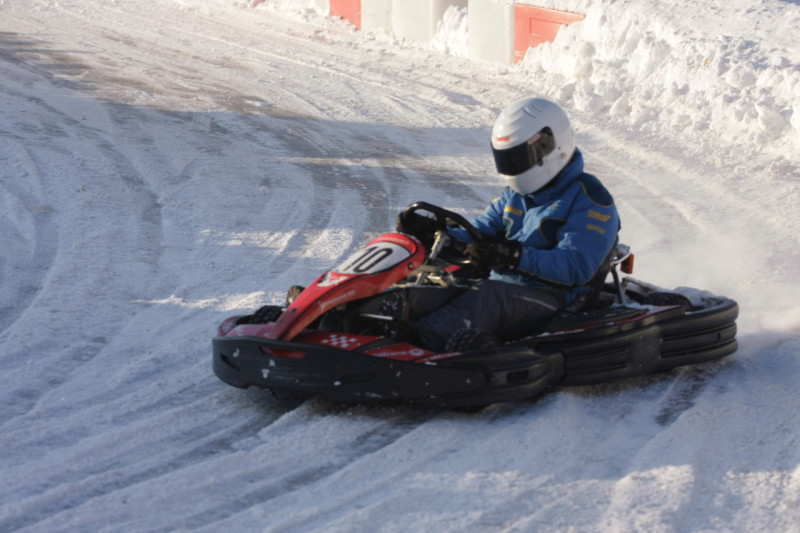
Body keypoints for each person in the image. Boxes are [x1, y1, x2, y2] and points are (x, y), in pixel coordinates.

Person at [396, 97, 621, 351]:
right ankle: (373, 320)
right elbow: (478, 233)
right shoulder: (514, 195)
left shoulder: (590, 198)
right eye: (507, 160)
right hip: (506, 284)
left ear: (550, 146)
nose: (512, 169)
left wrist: (514, 257)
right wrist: (438, 235)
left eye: (518, 159)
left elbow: (577, 266)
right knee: (433, 281)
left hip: (554, 297)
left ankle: (409, 347)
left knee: (487, 297)